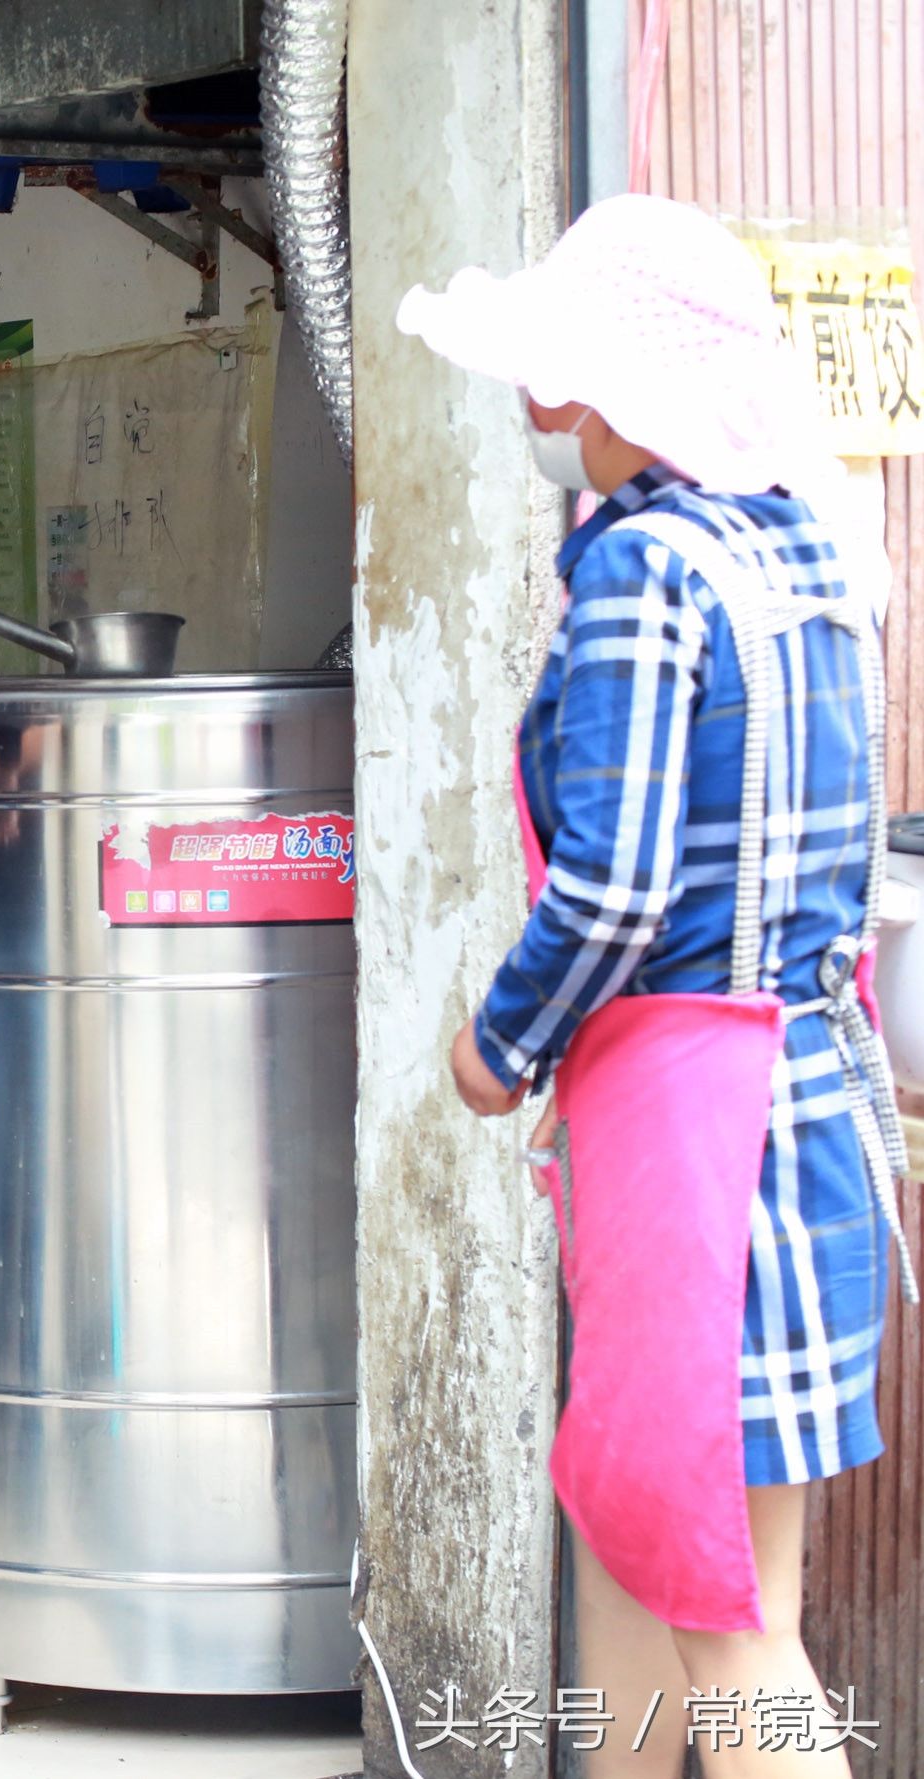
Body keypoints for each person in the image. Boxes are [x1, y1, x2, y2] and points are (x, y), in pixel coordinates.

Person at [405, 193, 916, 1779]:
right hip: (808, 1114)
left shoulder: (640, 570)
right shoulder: (816, 550)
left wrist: (496, 1044)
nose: (531, 404)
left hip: (696, 1144)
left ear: (605, 392)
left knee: (733, 1629)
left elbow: (616, 887)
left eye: (547, 370)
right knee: (664, 1552)